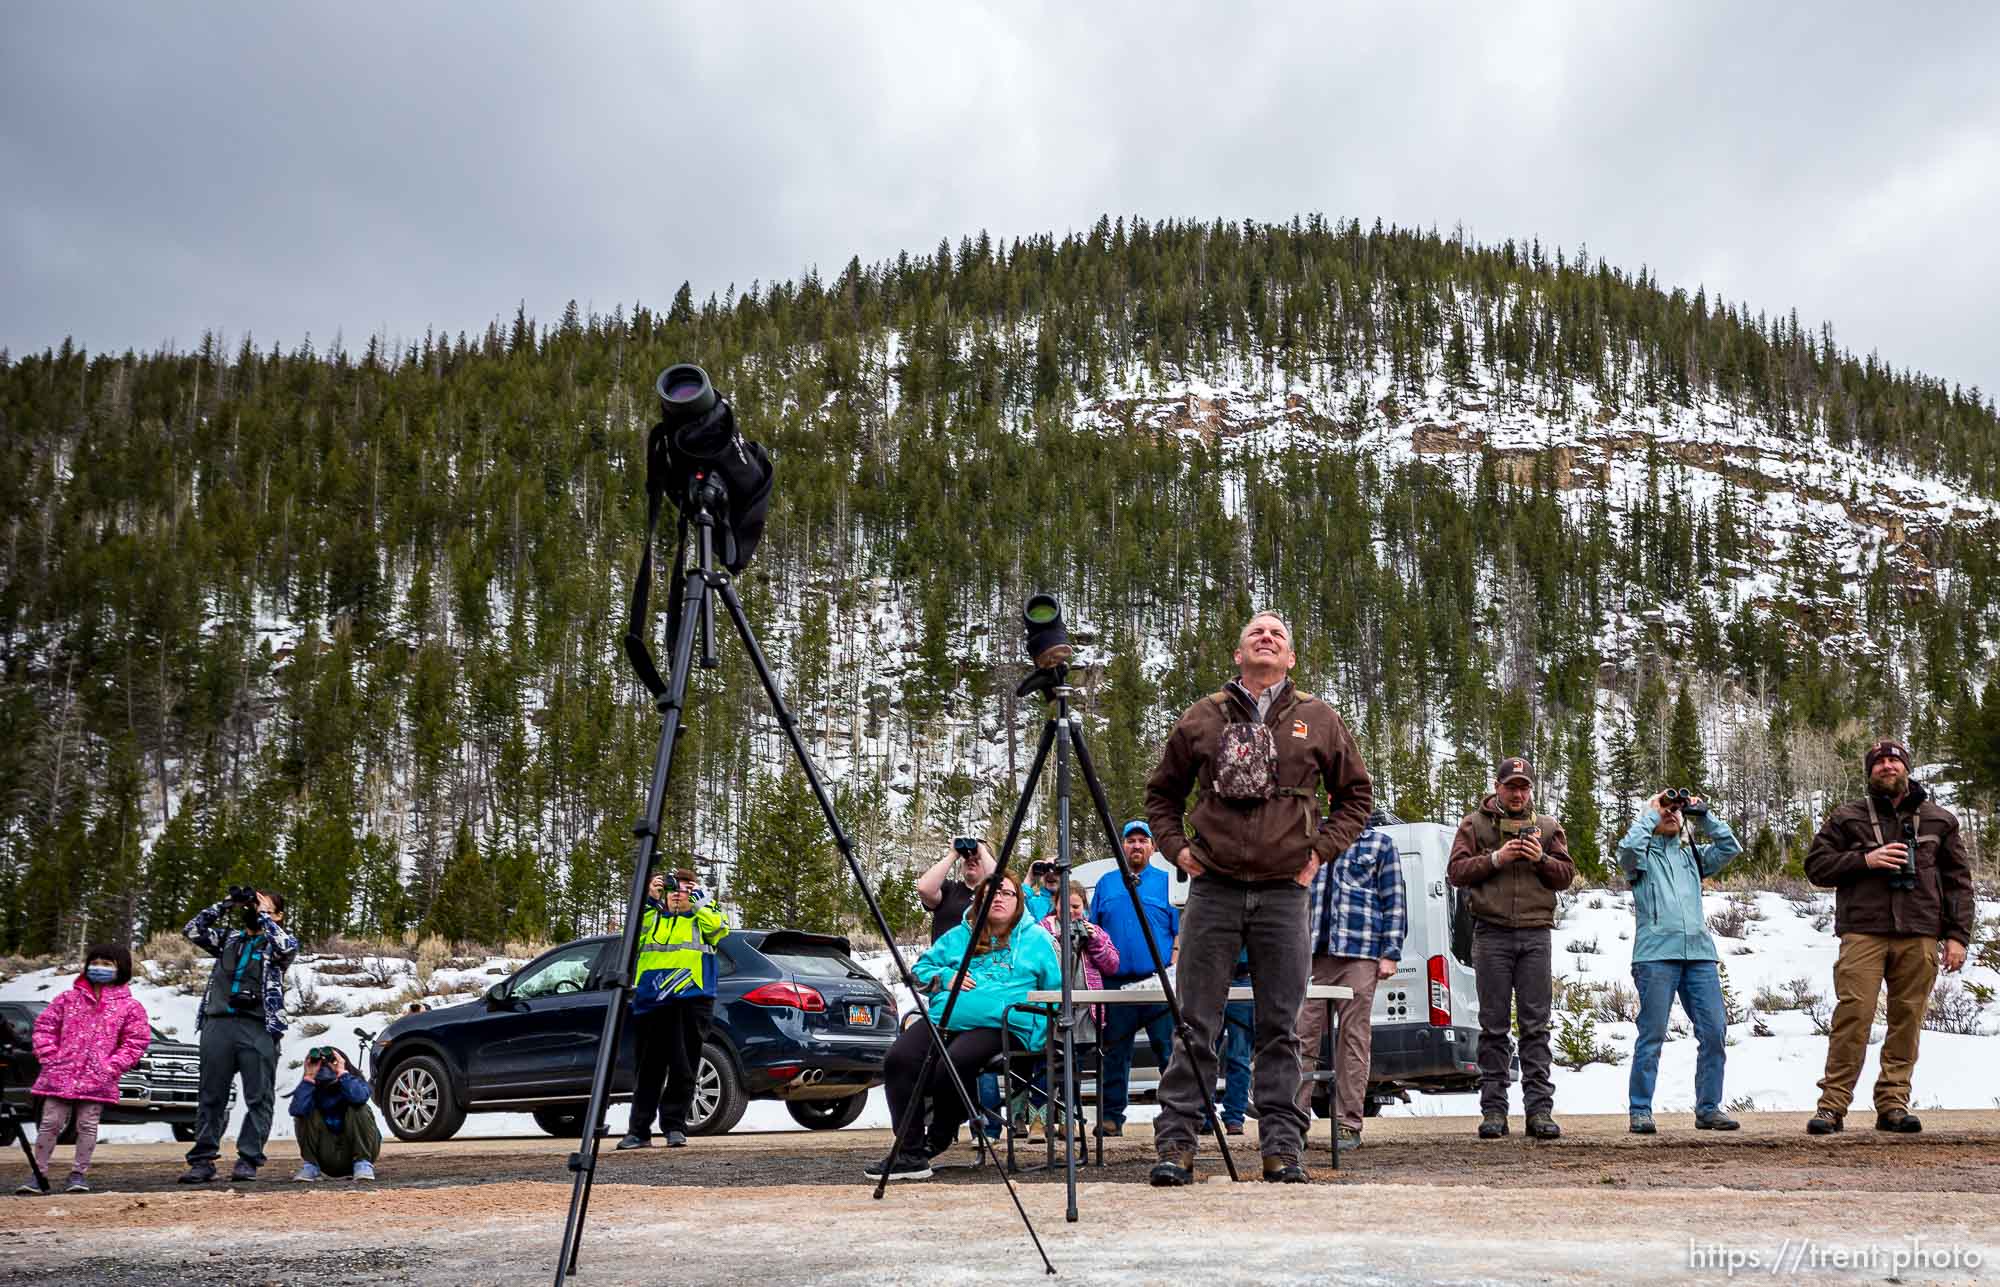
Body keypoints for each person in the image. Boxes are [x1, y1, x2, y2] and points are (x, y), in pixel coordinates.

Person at [1144, 610, 1374, 1185]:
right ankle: (1176, 1146)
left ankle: (1282, 1149)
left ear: (1290, 658)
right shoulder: (1203, 716)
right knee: (1196, 1021)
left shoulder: (1319, 719)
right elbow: (1161, 796)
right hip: (1214, 890)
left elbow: (1357, 797)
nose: (1266, 639)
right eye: (1256, 633)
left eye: (1277, 635)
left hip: (1283, 893)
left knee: (1281, 1025)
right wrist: (1179, 851)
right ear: (1238, 652)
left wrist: (1319, 852)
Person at [1802, 739, 1974, 1136]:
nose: (1886, 765)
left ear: (1907, 767)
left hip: (1919, 932)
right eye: (1878, 761)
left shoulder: (1939, 820)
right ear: (1870, 772)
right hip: (1864, 931)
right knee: (1853, 1016)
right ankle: (1832, 1106)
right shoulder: (1847, 817)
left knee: (1907, 1019)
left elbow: (1958, 884)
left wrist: (1957, 936)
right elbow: (1816, 867)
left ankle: (1893, 1105)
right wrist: (1865, 860)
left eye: (1894, 759)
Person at [867, 870, 1062, 1181]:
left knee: (956, 1059)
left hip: (1005, 1025)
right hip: (947, 1019)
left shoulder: (1037, 940)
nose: (998, 897)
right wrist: (946, 978)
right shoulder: (959, 936)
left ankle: (942, 1131)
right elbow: (919, 972)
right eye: (991, 893)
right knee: (899, 1058)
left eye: (1006, 893)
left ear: (1019, 901)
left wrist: (1042, 1025)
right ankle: (910, 1153)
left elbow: (1056, 990)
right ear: (980, 900)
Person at [1446, 757, 1575, 1141]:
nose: (1518, 794)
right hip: (1491, 934)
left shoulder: (1549, 828)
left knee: (1536, 1026)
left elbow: (1566, 876)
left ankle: (1539, 1111)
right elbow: (1456, 872)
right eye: (1511, 786)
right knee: (1494, 1027)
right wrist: (1496, 859)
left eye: (1524, 787)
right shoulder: (1473, 824)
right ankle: (1494, 1112)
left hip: (1536, 934)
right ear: (1498, 788)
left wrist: (1541, 859)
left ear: (1530, 790)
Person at [1616, 791, 1744, 1135]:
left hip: (1700, 955)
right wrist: (1652, 813)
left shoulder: (1693, 855)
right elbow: (1626, 851)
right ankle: (1640, 1109)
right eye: (1665, 810)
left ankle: (1708, 1108)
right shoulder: (1640, 858)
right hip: (1655, 955)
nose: (1671, 815)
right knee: (1653, 1033)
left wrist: (1703, 816)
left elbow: (1731, 848)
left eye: (1676, 811)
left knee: (1715, 1031)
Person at [1297, 822, 1406, 1152]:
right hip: (1312, 953)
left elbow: (1394, 901)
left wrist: (1390, 953)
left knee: (1354, 1038)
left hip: (1360, 953)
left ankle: (1347, 1124)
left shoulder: (1380, 844)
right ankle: (1293, 1122)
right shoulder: (1310, 840)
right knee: (1301, 1037)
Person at [180, 887, 299, 1183]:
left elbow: (286, 947)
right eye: (254, 905)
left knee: (259, 1095)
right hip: (218, 1023)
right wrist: (227, 904)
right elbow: (193, 930)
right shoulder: (228, 940)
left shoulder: (277, 943)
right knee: (211, 1094)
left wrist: (266, 918)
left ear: (279, 915)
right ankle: (203, 1160)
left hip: (258, 1026)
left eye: (265, 906)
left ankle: (248, 1158)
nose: (255, 909)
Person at [17, 945, 150, 1195]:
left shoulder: (130, 1007)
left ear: (120, 968)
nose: (98, 967)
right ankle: (38, 1174)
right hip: (59, 1075)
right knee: (49, 1123)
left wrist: (112, 1066)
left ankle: (78, 1174)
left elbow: (136, 1041)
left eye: (106, 963)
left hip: (97, 1078)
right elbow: (44, 1027)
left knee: (87, 1126)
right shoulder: (67, 999)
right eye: (95, 961)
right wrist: (50, 1056)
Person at [619, 867, 729, 1150]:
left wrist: (699, 900)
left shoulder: (701, 916)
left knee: (684, 1067)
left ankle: (674, 1127)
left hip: (690, 1000)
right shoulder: (651, 916)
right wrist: (648, 899)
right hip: (651, 1002)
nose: (679, 895)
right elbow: (629, 940)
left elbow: (719, 929)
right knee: (648, 1069)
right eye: (674, 889)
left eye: (685, 889)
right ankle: (638, 1131)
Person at [1087, 820, 1180, 1138]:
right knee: (1114, 1053)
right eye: (1130, 841)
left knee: (1169, 1053)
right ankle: (1111, 1116)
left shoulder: (1168, 882)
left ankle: (1175, 1115)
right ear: (1122, 847)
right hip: (1115, 985)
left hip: (1158, 984)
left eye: (1143, 840)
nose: (1136, 845)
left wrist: (1173, 971)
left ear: (1153, 847)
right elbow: (1093, 931)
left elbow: (1181, 934)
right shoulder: (1106, 883)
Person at [1028, 882, 1120, 1137]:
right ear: (1054, 905)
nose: (1070, 912)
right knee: (1045, 1065)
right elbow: (1033, 963)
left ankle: (1071, 1120)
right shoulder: (1040, 931)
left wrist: (1094, 941)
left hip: (1083, 1012)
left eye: (1076, 906)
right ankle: (1039, 1120)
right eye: (1064, 905)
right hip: (1050, 1009)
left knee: (1073, 1068)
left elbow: (1113, 965)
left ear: (1085, 908)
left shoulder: (1095, 932)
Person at [288, 1047, 381, 1181]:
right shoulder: (311, 1089)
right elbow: (296, 1110)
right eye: (320, 1064)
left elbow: (359, 1097)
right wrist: (309, 1077)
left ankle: (362, 1163)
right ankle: (311, 1166)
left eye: (330, 1062)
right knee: (305, 1110)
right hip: (326, 1156)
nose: (325, 1068)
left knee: (359, 1108)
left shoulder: (354, 1081)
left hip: (358, 1150)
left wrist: (342, 1073)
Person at [917, 838, 995, 945]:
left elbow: (1002, 883)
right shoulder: (948, 889)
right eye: (966, 856)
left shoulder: (996, 895)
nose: (971, 858)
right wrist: (953, 854)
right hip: (946, 960)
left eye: (977, 857)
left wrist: (982, 851)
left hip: (983, 960)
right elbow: (924, 889)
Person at [1216, 950, 1254, 1136]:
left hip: (1243, 976)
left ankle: (1234, 1118)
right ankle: (1205, 1118)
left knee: (1239, 1056)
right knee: (1202, 1055)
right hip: (1210, 978)